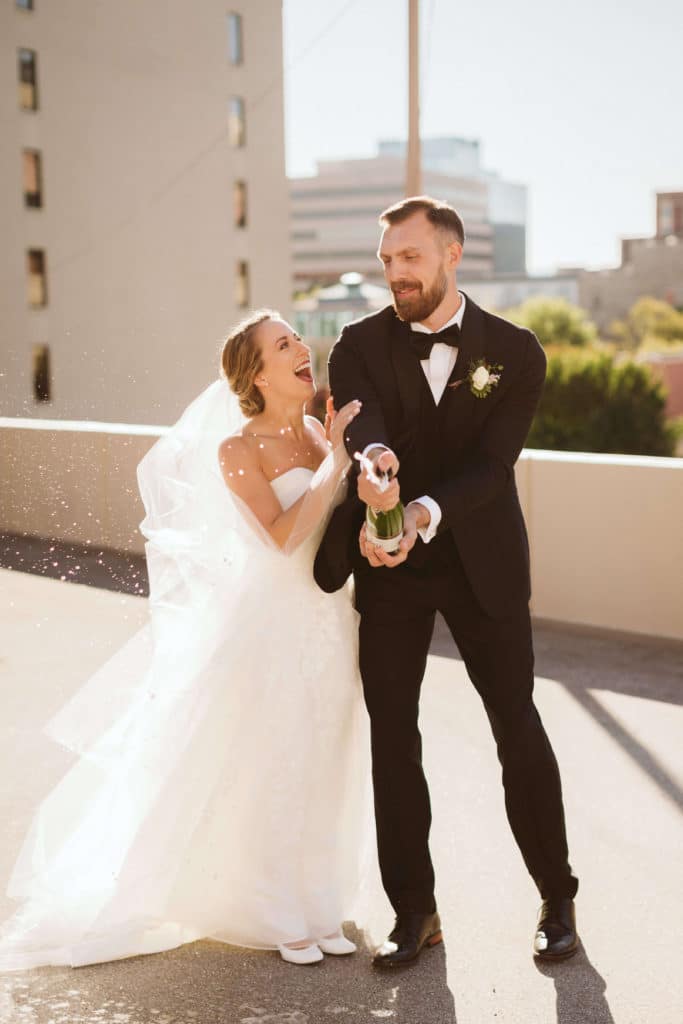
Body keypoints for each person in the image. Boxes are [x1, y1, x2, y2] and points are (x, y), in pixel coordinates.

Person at [0, 310, 372, 970]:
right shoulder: (236, 450)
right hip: (270, 625)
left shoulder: (318, 432)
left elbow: (337, 523)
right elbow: (282, 536)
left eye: (296, 340)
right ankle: (273, 910)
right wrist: (337, 462)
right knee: (275, 763)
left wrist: (364, 477)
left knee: (325, 755)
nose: (300, 351)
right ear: (256, 373)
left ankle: (318, 903)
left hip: (328, 620)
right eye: (283, 344)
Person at [314, 196, 579, 967]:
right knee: (393, 740)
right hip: (387, 563)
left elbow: (492, 468)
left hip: (480, 562)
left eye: (410, 258)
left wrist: (421, 509)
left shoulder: (516, 350)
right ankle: (414, 913)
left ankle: (557, 897)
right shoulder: (357, 344)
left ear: (451, 254)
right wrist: (375, 477)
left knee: (515, 728)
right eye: (387, 260)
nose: (395, 272)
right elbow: (363, 431)